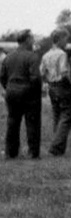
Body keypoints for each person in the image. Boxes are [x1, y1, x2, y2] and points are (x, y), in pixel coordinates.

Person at [2, 30, 42, 159]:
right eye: (32, 38)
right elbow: (35, 77)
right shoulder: (32, 56)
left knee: (13, 121)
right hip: (28, 92)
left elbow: (2, 76)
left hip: (11, 91)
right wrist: (35, 90)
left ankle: (11, 152)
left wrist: (8, 87)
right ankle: (33, 152)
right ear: (27, 40)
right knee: (32, 122)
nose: (33, 41)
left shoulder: (8, 56)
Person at [40, 29, 71, 156]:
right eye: (65, 39)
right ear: (60, 39)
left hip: (52, 87)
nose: (67, 42)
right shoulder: (62, 54)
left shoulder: (46, 55)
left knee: (57, 116)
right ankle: (56, 146)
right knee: (67, 117)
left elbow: (42, 72)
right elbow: (64, 72)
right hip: (63, 86)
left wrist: (49, 82)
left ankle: (60, 148)